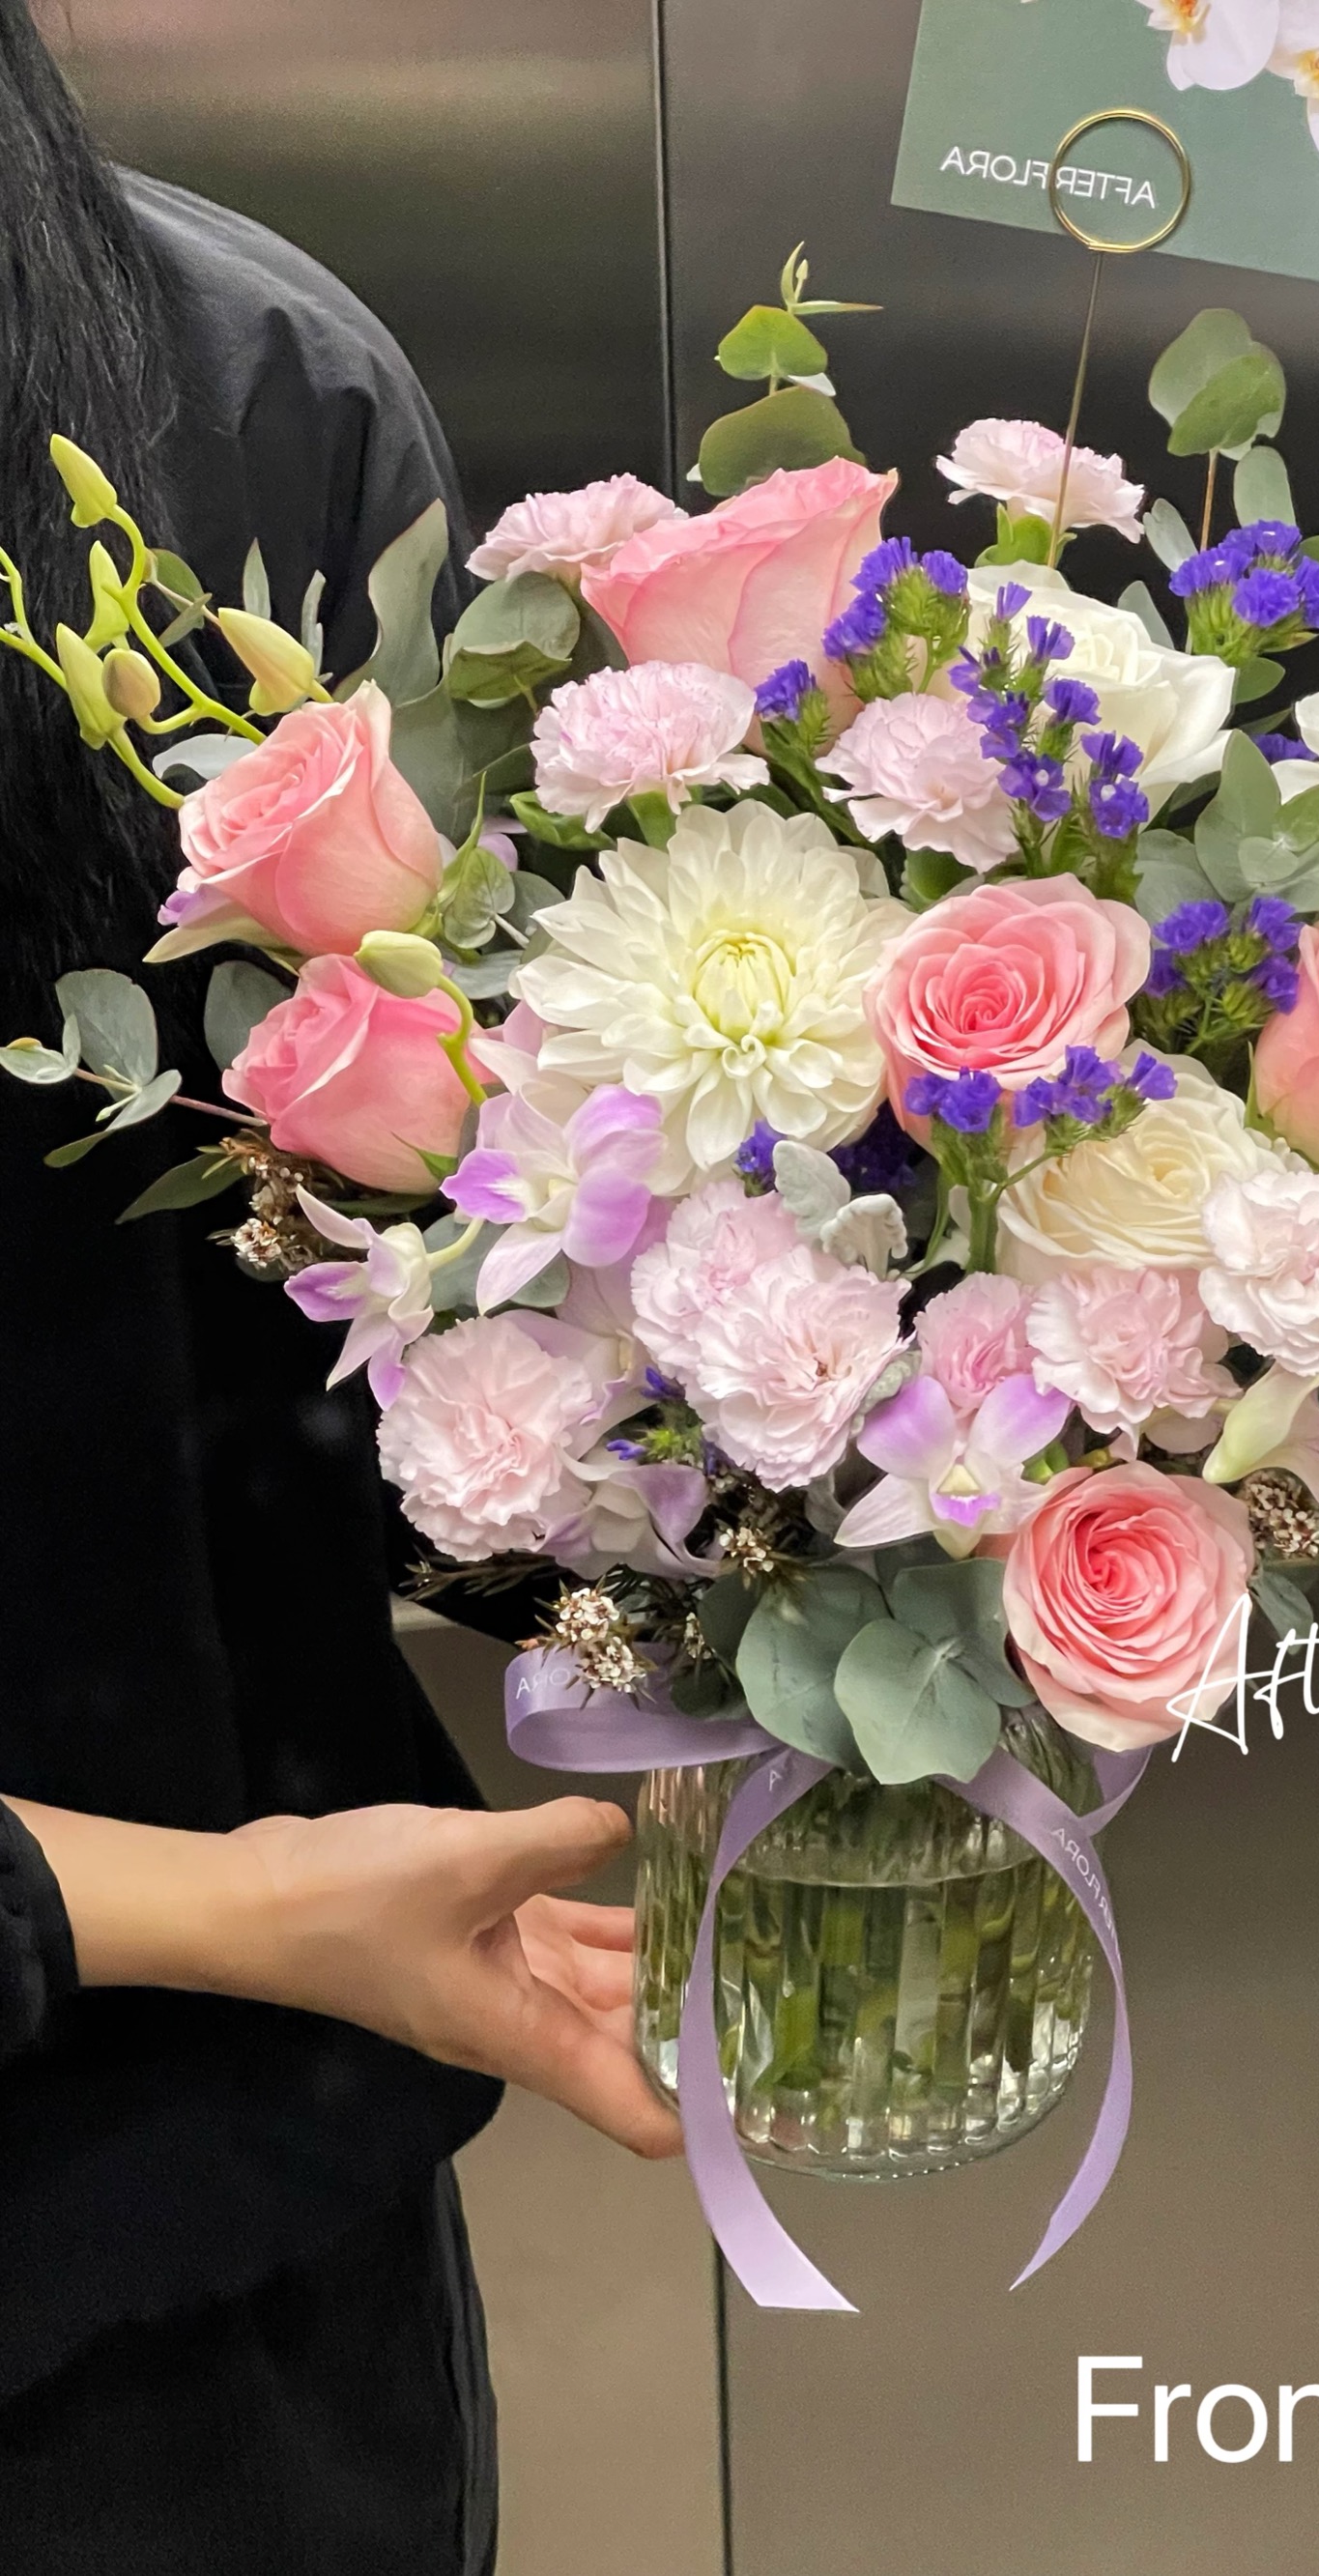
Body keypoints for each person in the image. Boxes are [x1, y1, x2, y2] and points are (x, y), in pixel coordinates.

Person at [0, 9, 677, 2569]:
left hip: (202, 2242)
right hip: (229, 2109)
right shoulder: (234, 375)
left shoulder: (234, 398)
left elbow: (410, 1368)